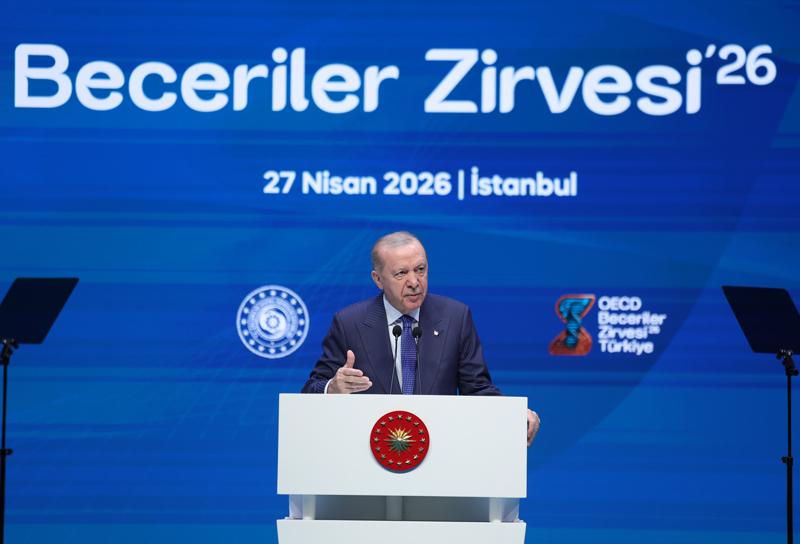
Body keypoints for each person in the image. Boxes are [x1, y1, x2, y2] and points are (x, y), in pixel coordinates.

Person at [302, 231, 541, 445]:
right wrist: (333, 388)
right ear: (378, 279)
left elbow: (477, 389)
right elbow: (310, 391)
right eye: (401, 273)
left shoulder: (455, 317)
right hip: (368, 452)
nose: (414, 282)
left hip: (439, 451)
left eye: (420, 270)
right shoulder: (349, 323)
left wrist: (512, 414)